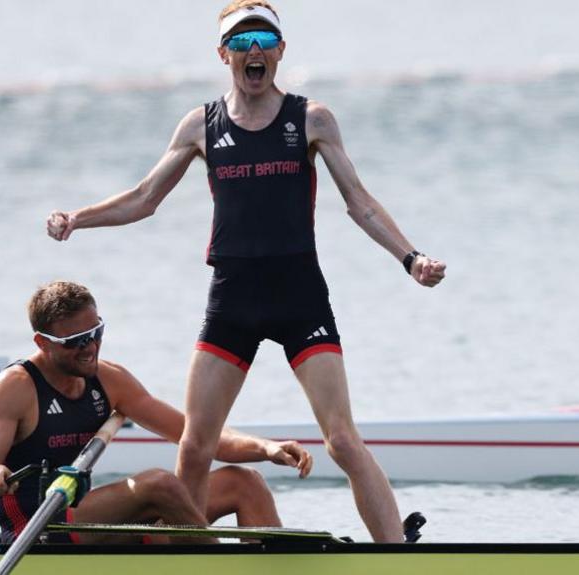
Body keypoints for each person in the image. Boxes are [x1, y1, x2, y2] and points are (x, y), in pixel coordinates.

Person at [45, 1, 445, 543]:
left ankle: (394, 551)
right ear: (222, 54)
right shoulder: (200, 125)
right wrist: (78, 218)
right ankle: (187, 551)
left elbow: (361, 204)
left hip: (300, 296)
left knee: (343, 441)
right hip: (232, 299)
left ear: (280, 51)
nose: (252, 52)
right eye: (239, 43)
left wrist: (411, 258)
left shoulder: (312, 118)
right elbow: (143, 199)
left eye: (263, 42)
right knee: (194, 445)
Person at [0, 280, 312, 544]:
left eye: (96, 333)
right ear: (42, 343)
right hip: (39, 531)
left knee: (244, 483)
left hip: (93, 523)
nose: (90, 348)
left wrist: (266, 448)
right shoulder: (12, 389)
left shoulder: (109, 379)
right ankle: (216, 563)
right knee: (158, 484)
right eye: (75, 342)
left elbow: (196, 435)